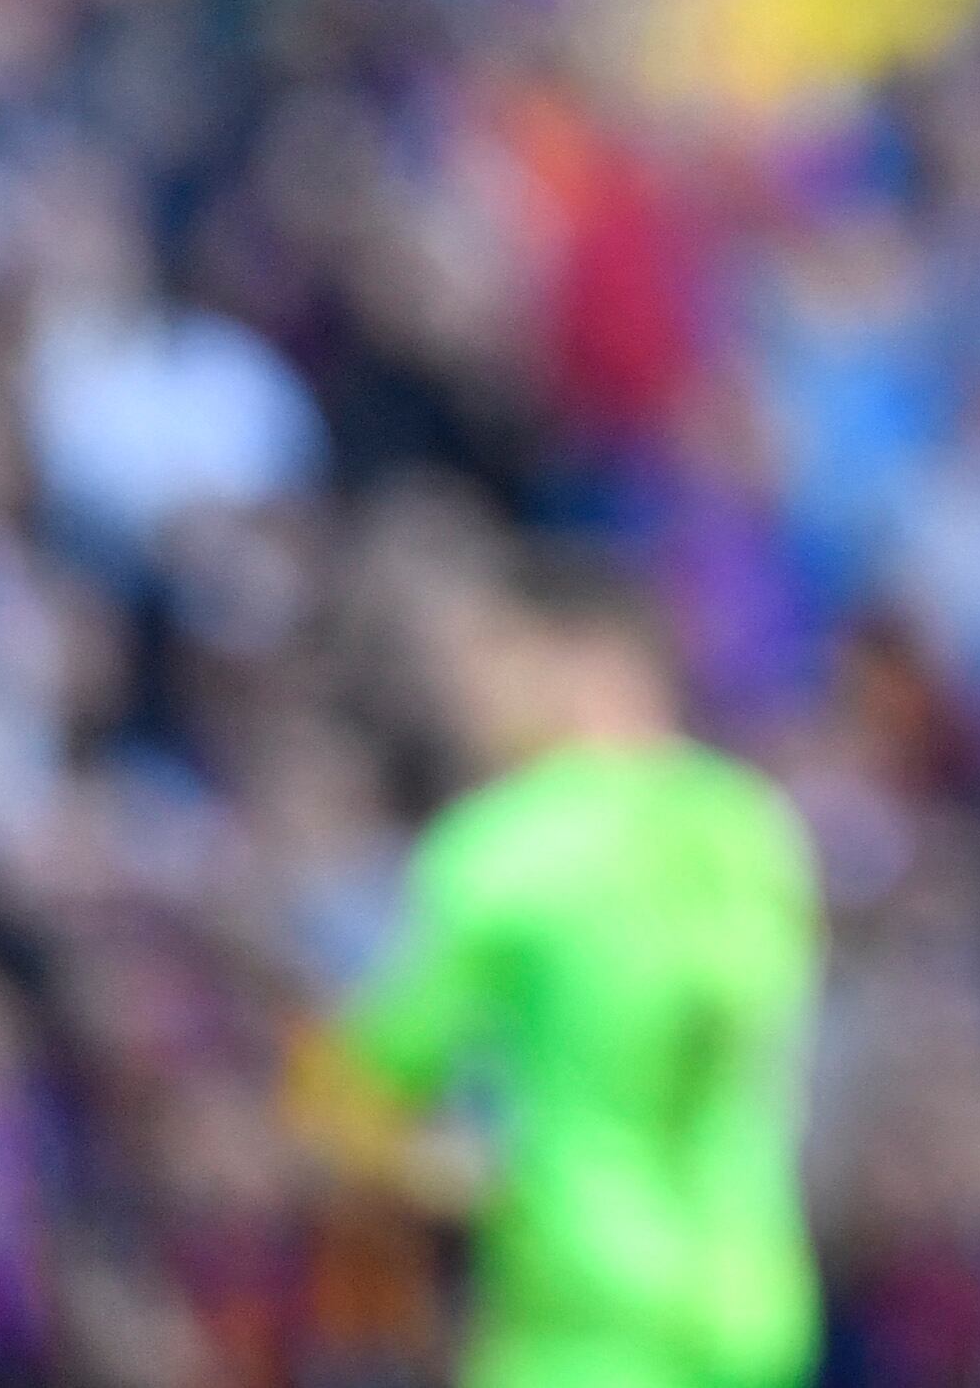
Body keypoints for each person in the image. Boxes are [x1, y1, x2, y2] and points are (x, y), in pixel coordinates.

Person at [306, 550, 824, 1388]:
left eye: (494, 660)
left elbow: (358, 1091)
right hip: (753, 1316)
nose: (472, 698)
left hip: (578, 1334)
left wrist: (462, 1170)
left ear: (575, 661)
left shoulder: (504, 851)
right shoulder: (754, 832)